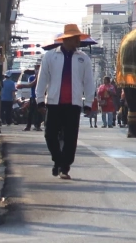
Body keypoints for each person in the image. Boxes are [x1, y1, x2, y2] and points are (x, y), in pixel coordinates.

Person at [36, 23, 95, 179]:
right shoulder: (50, 56)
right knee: (50, 135)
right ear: (67, 39)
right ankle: (58, 159)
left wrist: (88, 103)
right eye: (76, 38)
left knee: (70, 138)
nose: (78, 42)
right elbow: (42, 79)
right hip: (54, 102)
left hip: (73, 104)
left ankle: (65, 167)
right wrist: (40, 99)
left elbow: (89, 82)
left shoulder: (83, 58)